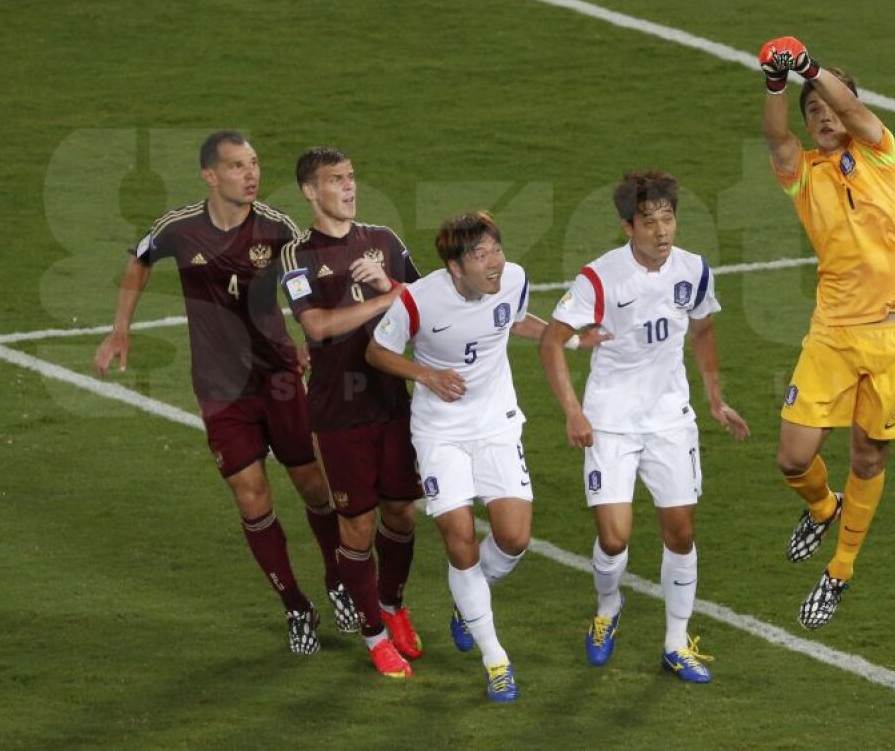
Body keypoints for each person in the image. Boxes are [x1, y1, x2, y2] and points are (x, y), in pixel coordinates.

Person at [93, 130, 352, 655]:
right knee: (251, 496)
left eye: (253, 163)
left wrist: (310, 340)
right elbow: (140, 260)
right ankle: (296, 607)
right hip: (220, 390)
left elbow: (308, 280)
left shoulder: (277, 228)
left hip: (278, 379)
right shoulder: (179, 227)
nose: (251, 174)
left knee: (314, 487)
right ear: (210, 175)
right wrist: (121, 328)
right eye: (237, 166)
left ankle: (338, 580)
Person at [365, 211, 597, 702]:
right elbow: (377, 351)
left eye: (497, 250)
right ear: (454, 266)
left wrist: (573, 338)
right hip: (440, 434)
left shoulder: (513, 280)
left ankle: (467, 604)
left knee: (514, 538)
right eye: (480, 255)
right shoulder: (418, 299)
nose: (495, 263)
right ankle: (496, 660)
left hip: (496, 424)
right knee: (461, 540)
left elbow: (514, 319)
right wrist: (426, 375)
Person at [541, 170, 749, 684]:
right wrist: (573, 411)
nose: (662, 231)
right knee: (614, 539)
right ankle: (608, 606)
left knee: (681, 533)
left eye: (668, 218)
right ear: (627, 227)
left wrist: (715, 398)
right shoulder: (599, 278)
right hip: (610, 420)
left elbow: (703, 330)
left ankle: (676, 643)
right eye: (649, 221)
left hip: (670, 419)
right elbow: (552, 340)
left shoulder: (694, 270)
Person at [757, 36, 895, 630]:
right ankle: (823, 506)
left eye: (831, 106)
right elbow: (775, 137)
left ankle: (840, 570)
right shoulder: (802, 173)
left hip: (894, 338)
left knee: (868, 455)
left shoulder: (879, 150)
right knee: (792, 456)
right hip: (832, 334)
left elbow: (852, 109)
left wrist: (809, 68)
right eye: (814, 111)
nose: (825, 116)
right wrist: (777, 83)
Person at [279, 146, 424, 679]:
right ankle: (375, 637)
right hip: (338, 412)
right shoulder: (297, 255)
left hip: (391, 401)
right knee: (357, 524)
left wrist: (391, 286)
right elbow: (316, 326)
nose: (348, 186)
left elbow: (429, 301)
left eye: (351, 177)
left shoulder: (383, 240)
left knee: (402, 512)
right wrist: (385, 300)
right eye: (335, 179)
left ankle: (392, 605)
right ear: (310, 191)